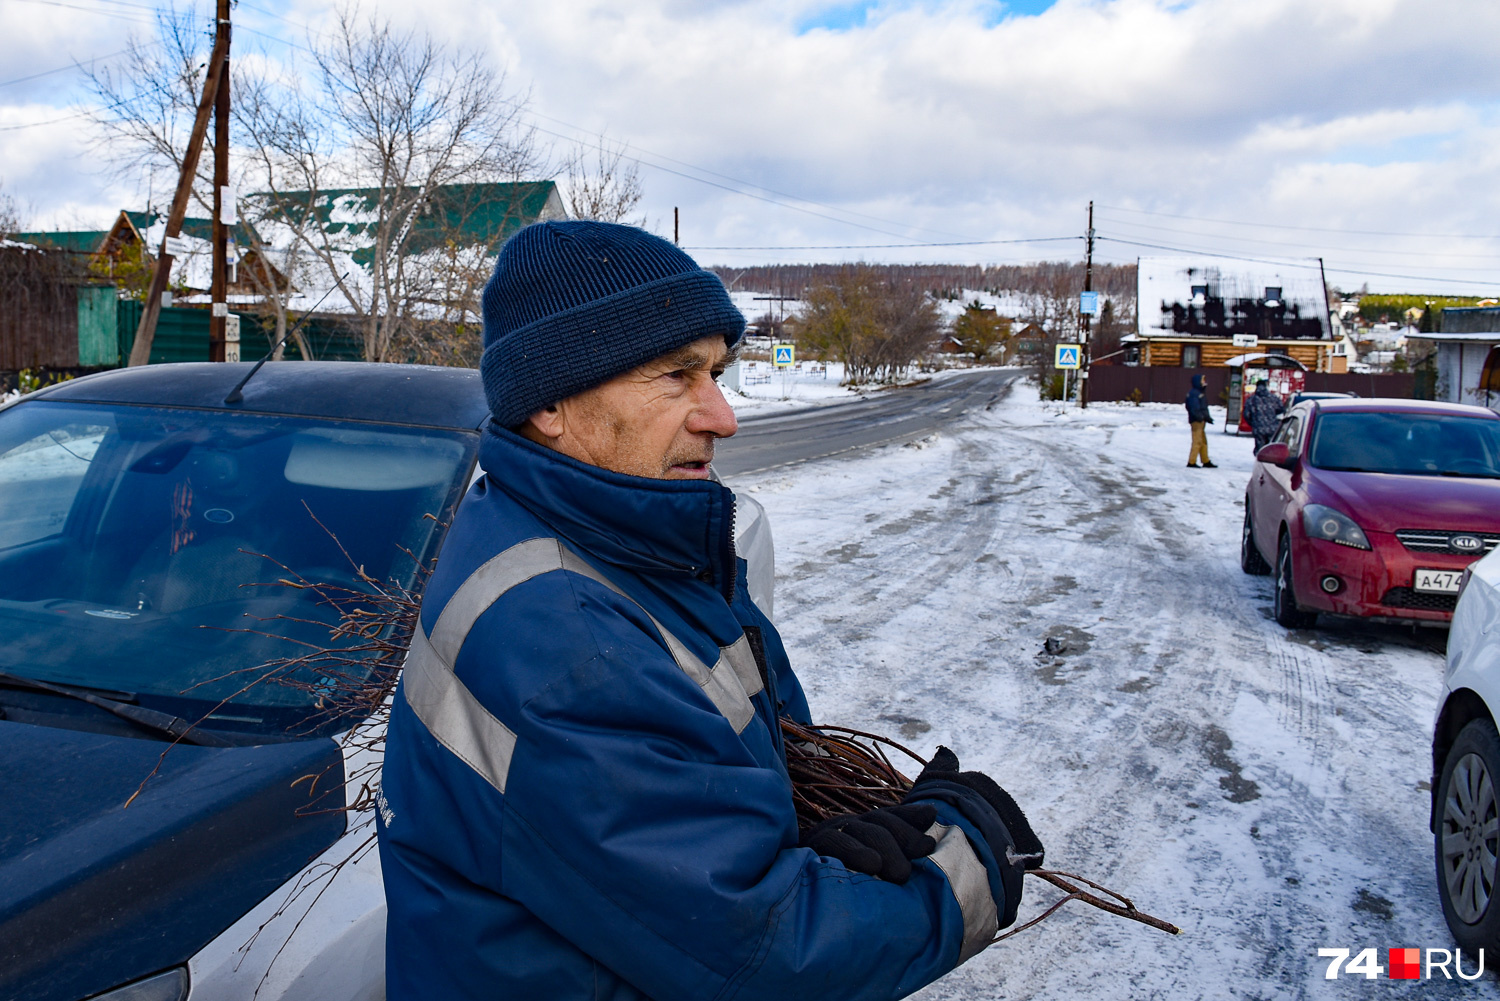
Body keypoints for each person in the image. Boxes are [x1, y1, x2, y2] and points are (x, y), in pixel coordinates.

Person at [377, 220, 1041, 1001]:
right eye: (677, 376)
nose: (722, 416)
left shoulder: (607, 542)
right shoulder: (571, 642)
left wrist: (788, 835)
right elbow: (766, 956)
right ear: (551, 401)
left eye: (718, 374)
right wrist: (968, 870)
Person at [1244, 378, 1286, 452]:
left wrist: (1253, 423)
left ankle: (1260, 462)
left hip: (1258, 429)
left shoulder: (1251, 400)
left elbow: (1247, 415)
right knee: (1271, 449)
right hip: (1272, 428)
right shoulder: (1274, 398)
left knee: (1260, 450)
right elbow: (1281, 411)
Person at [1184, 373, 1216, 468]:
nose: (1204, 382)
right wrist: (1200, 417)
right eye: (1202, 380)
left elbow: (1203, 408)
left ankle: (1205, 460)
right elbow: (1194, 408)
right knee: (1197, 441)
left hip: (1200, 420)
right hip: (1197, 421)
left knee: (1203, 441)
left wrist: (1207, 418)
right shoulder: (1195, 394)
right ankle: (1191, 461)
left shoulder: (1199, 393)